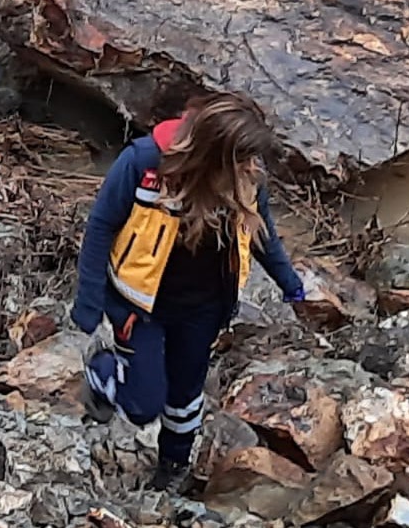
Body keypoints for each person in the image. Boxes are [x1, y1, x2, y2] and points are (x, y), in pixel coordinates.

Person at [72, 93, 306, 493]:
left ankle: (172, 465)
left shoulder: (246, 175)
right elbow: (100, 229)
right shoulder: (143, 164)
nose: (251, 168)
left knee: (185, 395)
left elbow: (261, 231)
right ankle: (104, 371)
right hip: (139, 304)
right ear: (211, 152)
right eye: (241, 159)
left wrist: (290, 283)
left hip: (205, 308)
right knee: (144, 405)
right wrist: (89, 303)